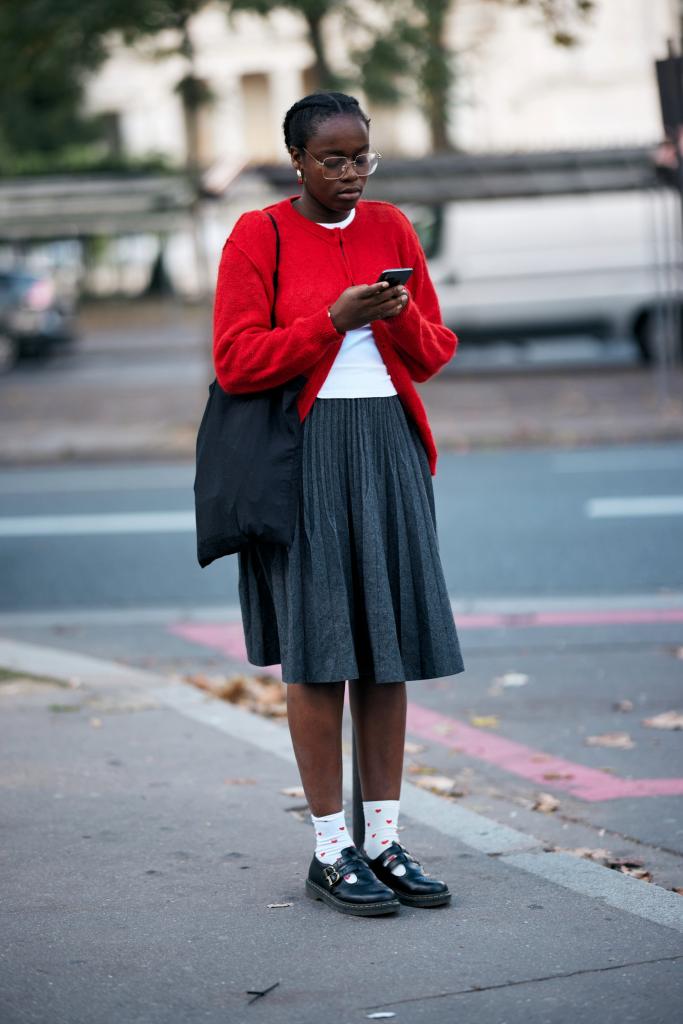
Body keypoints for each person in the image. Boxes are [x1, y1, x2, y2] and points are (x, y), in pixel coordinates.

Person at [213, 91, 466, 917]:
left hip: (388, 445)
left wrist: (389, 319)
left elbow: (433, 352)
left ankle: (385, 840)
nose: (352, 173)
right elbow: (237, 359)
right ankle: (331, 849)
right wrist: (332, 320)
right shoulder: (260, 235)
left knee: (386, 650)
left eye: (363, 157)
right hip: (304, 456)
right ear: (297, 161)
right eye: (334, 159)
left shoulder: (392, 227)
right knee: (321, 656)